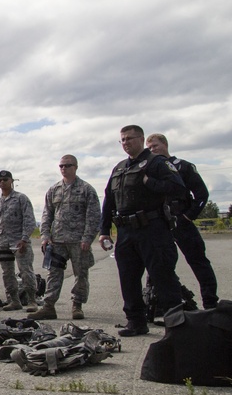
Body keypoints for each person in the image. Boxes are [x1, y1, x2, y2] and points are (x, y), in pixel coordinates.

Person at [99, 125, 186, 336]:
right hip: (126, 232)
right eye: (122, 140)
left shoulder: (157, 163)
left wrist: (150, 183)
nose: (126, 143)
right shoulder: (119, 168)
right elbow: (109, 200)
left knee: (162, 276)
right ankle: (136, 322)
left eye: (130, 138)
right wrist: (104, 230)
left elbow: (178, 188)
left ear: (141, 138)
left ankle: (177, 326)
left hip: (152, 229)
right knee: (128, 278)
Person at [146, 133, 220, 309]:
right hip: (160, 223)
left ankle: (210, 303)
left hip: (181, 221)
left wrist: (188, 215)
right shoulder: (149, 170)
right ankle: (160, 303)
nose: (152, 150)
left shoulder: (183, 166)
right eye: (149, 148)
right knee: (159, 266)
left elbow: (201, 194)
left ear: (165, 145)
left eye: (155, 146)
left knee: (198, 261)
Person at [33, 155, 101, 321]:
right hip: (58, 241)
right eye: (61, 166)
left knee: (81, 274)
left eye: (67, 165)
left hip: (79, 241)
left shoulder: (86, 189)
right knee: (54, 274)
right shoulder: (54, 189)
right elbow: (47, 214)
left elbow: (93, 216)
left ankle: (77, 305)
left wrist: (87, 238)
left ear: (75, 167)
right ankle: (49, 306)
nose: (63, 168)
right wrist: (45, 236)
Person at [0, 170, 39, 312]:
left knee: (26, 271)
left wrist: (24, 238)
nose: (2, 183)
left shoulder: (21, 198)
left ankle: (32, 301)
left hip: (18, 242)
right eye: (0, 181)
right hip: (2, 243)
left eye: (5, 180)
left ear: (12, 181)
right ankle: (14, 300)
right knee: (7, 273)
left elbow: (29, 220)